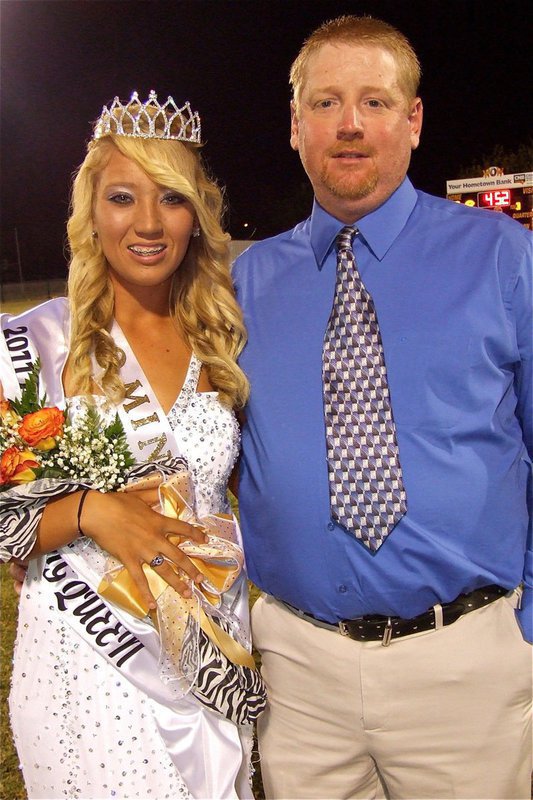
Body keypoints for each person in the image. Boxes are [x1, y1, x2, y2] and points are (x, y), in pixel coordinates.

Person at [232, 15, 532, 800]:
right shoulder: (245, 283)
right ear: (295, 126)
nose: (351, 124)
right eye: (325, 103)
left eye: (373, 100)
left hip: (462, 659)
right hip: (298, 671)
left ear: (414, 119)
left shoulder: (502, 256)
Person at [1, 90, 263, 800]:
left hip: (207, 647)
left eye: (171, 198)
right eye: (123, 197)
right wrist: (89, 512)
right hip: (89, 661)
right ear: (92, 211)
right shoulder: (35, 347)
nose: (148, 223)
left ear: (197, 217)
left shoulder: (223, 341)